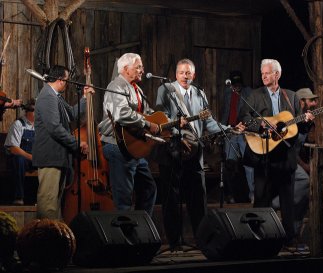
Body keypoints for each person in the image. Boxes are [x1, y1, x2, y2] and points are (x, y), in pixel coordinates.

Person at [156, 58, 244, 250]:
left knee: (198, 197)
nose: (185, 76)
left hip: (195, 152)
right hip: (172, 151)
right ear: (176, 75)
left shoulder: (199, 93)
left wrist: (228, 129)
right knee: (172, 198)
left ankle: (201, 240)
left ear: (193, 75)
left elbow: (209, 122)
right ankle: (174, 242)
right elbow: (160, 117)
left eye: (188, 73)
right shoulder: (166, 90)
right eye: (181, 73)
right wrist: (176, 127)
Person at [238, 59, 313, 245]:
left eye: (267, 73)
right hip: (262, 154)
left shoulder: (291, 96)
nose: (263, 76)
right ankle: (259, 237)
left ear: (277, 75)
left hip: (285, 156)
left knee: (288, 200)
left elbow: (299, 128)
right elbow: (244, 118)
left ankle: (289, 238)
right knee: (262, 199)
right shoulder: (254, 95)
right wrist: (261, 123)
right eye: (262, 73)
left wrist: (307, 121)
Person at [98, 53, 157, 215]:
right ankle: (125, 237)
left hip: (133, 147)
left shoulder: (137, 89)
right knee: (123, 198)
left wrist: (165, 121)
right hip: (117, 146)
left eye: (142, 67)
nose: (142, 70)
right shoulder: (115, 86)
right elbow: (121, 113)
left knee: (148, 189)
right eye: (138, 67)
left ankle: (141, 229)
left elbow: (148, 113)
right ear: (125, 69)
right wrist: (146, 123)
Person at [32, 65, 92, 219]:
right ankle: (45, 238)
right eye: (67, 80)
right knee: (48, 202)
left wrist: (85, 98)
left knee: (55, 202)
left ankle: (54, 238)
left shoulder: (55, 96)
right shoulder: (47, 96)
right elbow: (54, 127)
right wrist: (76, 143)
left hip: (58, 157)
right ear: (60, 80)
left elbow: (71, 114)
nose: (67, 83)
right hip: (50, 156)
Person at [272, 87, 318, 241]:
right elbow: (290, 147)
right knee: (304, 181)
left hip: (292, 160)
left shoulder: (304, 119)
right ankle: (275, 204)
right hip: (283, 159)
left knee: (304, 192)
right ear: (301, 102)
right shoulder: (290, 117)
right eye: (311, 100)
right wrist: (304, 166)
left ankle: (293, 230)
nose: (315, 102)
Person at [221, 70, 254, 203]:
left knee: (249, 165)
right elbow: (225, 111)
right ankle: (231, 195)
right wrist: (224, 129)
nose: (236, 86)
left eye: (238, 83)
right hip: (230, 131)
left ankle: (253, 195)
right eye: (234, 84)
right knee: (230, 164)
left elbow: (251, 113)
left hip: (243, 131)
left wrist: (247, 127)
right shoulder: (227, 93)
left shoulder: (248, 92)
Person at [4, 98, 36, 205]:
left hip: (37, 159)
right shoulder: (19, 124)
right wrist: (31, 157)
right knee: (19, 160)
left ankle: (44, 200)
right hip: (23, 160)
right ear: (28, 111)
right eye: (34, 110)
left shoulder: (41, 126)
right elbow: (13, 148)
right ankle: (19, 197)